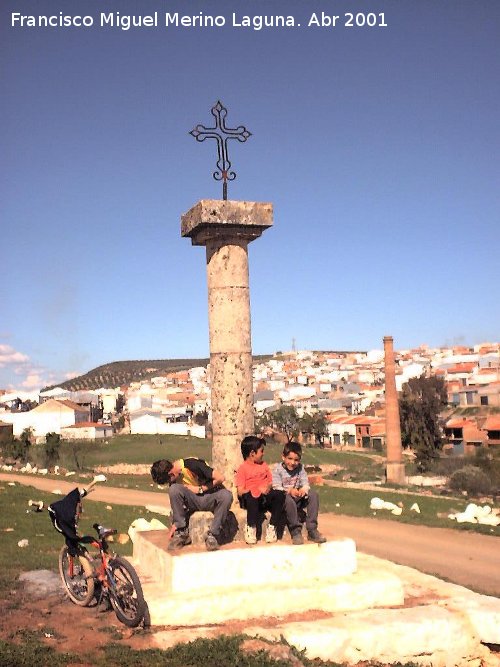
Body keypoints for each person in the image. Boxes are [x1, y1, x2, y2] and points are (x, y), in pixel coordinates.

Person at [150, 457, 232, 552]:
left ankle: (213, 535)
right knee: (174, 489)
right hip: (193, 500)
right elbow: (177, 498)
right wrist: (175, 523)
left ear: (170, 474)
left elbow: (221, 478)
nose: (169, 482)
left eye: (168, 480)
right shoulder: (174, 480)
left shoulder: (192, 465)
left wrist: (200, 489)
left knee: (226, 495)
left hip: (209, 495)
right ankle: (181, 532)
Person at [272, 441, 326, 545]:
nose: (292, 463)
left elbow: (305, 483)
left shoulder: (300, 468)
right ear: (283, 457)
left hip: (297, 497)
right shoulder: (277, 469)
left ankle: (312, 529)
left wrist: (303, 490)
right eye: (290, 459)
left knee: (313, 495)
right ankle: (295, 531)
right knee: (287, 499)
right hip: (285, 500)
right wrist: (289, 491)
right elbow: (276, 487)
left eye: (296, 460)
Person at [235, 435, 285, 545]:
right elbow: (240, 491)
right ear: (252, 453)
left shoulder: (264, 465)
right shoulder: (242, 469)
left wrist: (268, 487)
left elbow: (271, 481)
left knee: (280, 495)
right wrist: (256, 489)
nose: (263, 453)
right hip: (251, 499)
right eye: (261, 451)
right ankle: (251, 527)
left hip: (264, 497)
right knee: (253, 496)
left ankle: (272, 526)